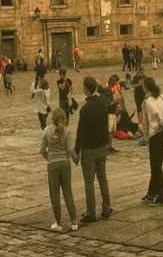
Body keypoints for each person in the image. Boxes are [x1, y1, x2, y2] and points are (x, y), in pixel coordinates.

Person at [76, 76, 113, 223]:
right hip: (102, 146)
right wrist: (99, 87)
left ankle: (91, 212)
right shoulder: (102, 102)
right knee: (102, 178)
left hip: (89, 150)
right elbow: (108, 94)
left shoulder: (85, 109)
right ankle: (106, 207)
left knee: (89, 182)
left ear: (86, 89)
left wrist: (76, 151)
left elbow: (81, 132)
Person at [41, 109, 80, 232]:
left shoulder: (47, 131)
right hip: (65, 163)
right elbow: (70, 150)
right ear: (64, 119)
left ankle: (58, 222)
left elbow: (42, 149)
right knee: (68, 192)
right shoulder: (67, 131)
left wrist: (50, 158)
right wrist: (75, 159)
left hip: (53, 164)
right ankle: (73, 221)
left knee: (55, 194)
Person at [140, 76, 163, 205]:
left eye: (143, 86)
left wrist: (159, 124)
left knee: (156, 167)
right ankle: (151, 193)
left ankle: (161, 197)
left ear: (147, 87)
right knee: (156, 166)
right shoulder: (160, 97)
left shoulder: (148, 101)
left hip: (156, 135)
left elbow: (155, 113)